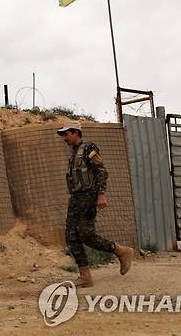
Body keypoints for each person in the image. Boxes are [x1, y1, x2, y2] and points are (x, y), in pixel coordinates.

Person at [57, 121, 133, 288]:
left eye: (66, 134)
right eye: (63, 135)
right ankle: (85, 276)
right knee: (71, 236)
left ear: (75, 132)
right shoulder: (73, 153)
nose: (64, 138)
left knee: (87, 235)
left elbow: (101, 172)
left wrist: (101, 194)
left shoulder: (89, 148)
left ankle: (121, 251)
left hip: (89, 197)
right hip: (76, 198)